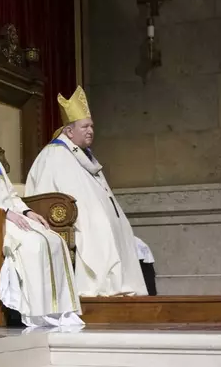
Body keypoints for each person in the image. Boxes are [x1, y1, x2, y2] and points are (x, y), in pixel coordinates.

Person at [0, 100, 83, 327]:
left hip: (5, 216)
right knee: (33, 243)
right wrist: (4, 212)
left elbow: (9, 193)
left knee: (54, 239)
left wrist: (26, 211)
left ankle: (60, 311)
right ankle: (36, 313)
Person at [25, 86, 156, 297]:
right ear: (69, 131)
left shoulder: (85, 155)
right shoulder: (54, 155)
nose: (90, 131)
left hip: (91, 218)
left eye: (92, 126)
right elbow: (45, 195)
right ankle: (102, 288)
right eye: (85, 126)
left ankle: (121, 287)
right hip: (68, 220)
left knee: (121, 230)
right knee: (99, 230)